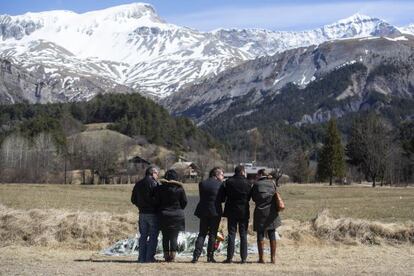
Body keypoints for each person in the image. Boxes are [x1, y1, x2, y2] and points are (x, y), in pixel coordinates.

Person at [191, 167, 225, 263]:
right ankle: (210, 257)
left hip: (204, 210)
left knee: (202, 233)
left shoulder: (202, 183)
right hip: (215, 211)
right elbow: (222, 199)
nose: (223, 177)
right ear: (217, 175)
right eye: (222, 175)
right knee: (213, 234)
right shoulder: (221, 185)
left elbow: (202, 197)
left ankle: (196, 256)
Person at [154, 169, 187, 262]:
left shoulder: (160, 189)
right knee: (174, 236)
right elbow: (184, 202)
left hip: (163, 214)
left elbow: (156, 202)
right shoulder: (180, 189)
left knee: (165, 236)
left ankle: (166, 255)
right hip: (177, 215)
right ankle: (172, 256)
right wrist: (179, 209)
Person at [222, 165, 252, 264]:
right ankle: (243, 258)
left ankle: (229, 257)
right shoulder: (248, 183)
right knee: (243, 234)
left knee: (231, 234)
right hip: (243, 211)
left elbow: (225, 196)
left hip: (231, 210)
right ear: (242, 172)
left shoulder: (228, 182)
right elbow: (249, 197)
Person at [251, 169, 281, 264]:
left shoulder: (256, 185)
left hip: (260, 212)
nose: (256, 176)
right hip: (271, 212)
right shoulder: (272, 183)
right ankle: (273, 258)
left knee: (260, 235)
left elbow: (253, 198)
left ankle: (261, 258)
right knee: (272, 234)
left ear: (260, 175)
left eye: (257, 174)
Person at [131, 166, 160, 263]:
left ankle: (141, 258)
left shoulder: (138, 184)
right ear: (152, 173)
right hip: (152, 213)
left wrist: (140, 205)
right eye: (157, 173)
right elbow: (158, 199)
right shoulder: (154, 184)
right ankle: (149, 257)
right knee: (153, 236)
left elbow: (133, 199)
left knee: (143, 236)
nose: (158, 176)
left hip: (142, 213)